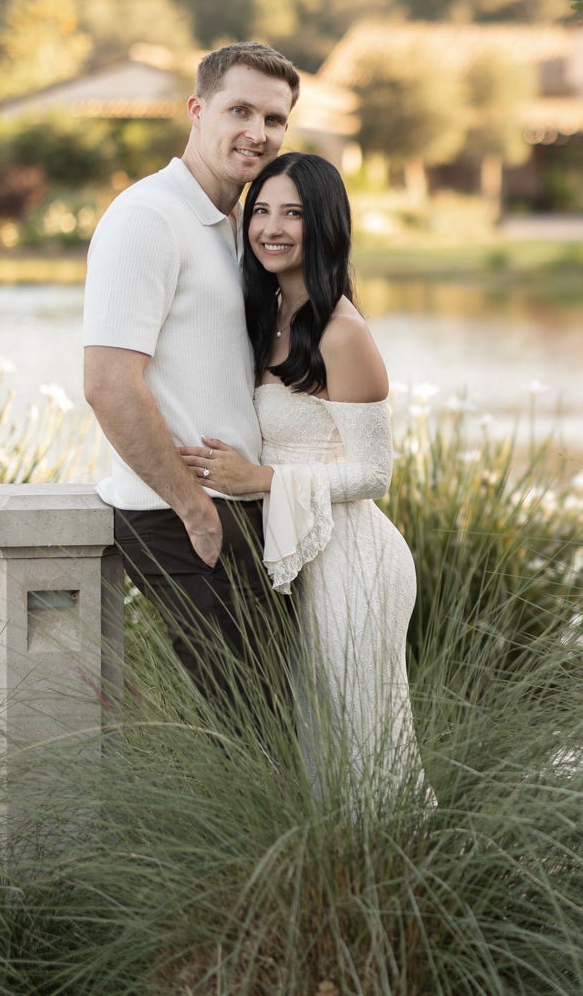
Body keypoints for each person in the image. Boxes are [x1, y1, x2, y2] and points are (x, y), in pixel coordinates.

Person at [179, 152, 425, 793]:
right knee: (320, 736)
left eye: (293, 212)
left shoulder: (343, 333)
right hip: (303, 555)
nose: (272, 227)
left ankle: (406, 874)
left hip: (356, 559)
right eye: (260, 211)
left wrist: (258, 481)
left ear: (324, 225)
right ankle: (340, 874)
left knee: (369, 737)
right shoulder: (266, 321)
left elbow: (375, 473)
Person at [82, 41, 300, 736]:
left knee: (277, 723)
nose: (257, 132)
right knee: (256, 726)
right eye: (240, 110)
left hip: (242, 509)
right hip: (178, 516)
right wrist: (194, 509)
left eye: (274, 118)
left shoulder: (237, 226)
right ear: (197, 109)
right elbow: (109, 383)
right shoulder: (147, 217)